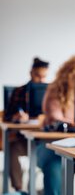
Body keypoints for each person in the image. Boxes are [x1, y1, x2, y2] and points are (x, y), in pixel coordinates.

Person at [37, 54, 75, 195]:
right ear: (68, 76)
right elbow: (56, 117)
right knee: (54, 165)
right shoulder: (55, 91)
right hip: (52, 146)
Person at [4, 57, 49, 192]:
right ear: (31, 73)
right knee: (11, 149)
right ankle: (18, 189)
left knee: (52, 155)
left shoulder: (50, 92)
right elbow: (7, 116)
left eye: (44, 76)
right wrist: (17, 118)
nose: (41, 80)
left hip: (43, 140)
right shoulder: (19, 91)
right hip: (23, 139)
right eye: (38, 76)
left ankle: (34, 189)